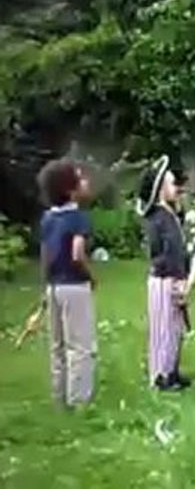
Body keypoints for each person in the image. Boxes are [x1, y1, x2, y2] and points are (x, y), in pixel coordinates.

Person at [37, 159, 97, 407]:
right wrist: (91, 276)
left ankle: (59, 397)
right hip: (75, 286)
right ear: (70, 189)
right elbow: (77, 253)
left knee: (57, 346)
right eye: (81, 177)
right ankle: (79, 401)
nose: (86, 180)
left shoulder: (47, 218)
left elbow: (45, 253)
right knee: (80, 346)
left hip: (54, 286)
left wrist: (47, 283)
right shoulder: (78, 218)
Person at [137, 155, 192, 391]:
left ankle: (172, 370)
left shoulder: (170, 214)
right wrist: (177, 278)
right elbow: (168, 252)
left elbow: (179, 246)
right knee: (163, 329)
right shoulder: (158, 218)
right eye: (172, 184)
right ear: (159, 190)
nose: (177, 188)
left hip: (174, 277)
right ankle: (161, 376)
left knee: (176, 328)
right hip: (164, 279)